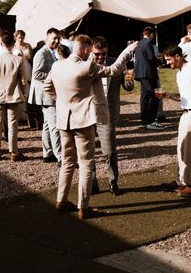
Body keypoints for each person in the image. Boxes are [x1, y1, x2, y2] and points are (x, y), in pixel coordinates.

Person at [44, 35, 137, 220]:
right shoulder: (87, 66)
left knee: (68, 162)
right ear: (86, 49)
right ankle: (83, 207)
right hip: (82, 120)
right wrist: (128, 51)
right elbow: (114, 69)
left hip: (63, 120)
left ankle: (61, 201)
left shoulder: (57, 65)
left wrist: (62, 101)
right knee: (86, 163)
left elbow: (47, 87)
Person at [162, 45, 191, 198]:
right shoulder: (179, 74)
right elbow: (184, 97)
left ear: (178, 56)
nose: (168, 63)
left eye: (169, 60)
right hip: (187, 112)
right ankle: (183, 181)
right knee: (182, 149)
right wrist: (168, 95)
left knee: (189, 151)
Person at [90, 36, 134, 196]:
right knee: (89, 151)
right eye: (97, 54)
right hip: (88, 114)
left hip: (108, 114)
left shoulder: (117, 62)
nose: (100, 57)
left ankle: (113, 182)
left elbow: (128, 87)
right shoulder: (85, 65)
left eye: (103, 53)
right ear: (91, 50)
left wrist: (129, 77)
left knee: (109, 151)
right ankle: (91, 181)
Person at [0, 32, 29, 162]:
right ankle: (13, 152)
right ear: (12, 44)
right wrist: (23, 92)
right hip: (13, 94)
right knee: (12, 124)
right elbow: (23, 80)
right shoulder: (18, 60)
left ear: (1, 43)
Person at [30, 28, 62, 163]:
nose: (56, 41)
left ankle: (47, 154)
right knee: (55, 125)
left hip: (48, 94)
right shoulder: (41, 53)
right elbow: (36, 74)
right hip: (45, 95)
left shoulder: (52, 52)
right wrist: (54, 76)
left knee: (48, 125)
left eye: (58, 38)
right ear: (47, 37)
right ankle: (61, 157)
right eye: (54, 38)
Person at [134, 27, 165, 130]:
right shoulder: (148, 43)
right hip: (148, 74)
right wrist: (161, 62)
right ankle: (151, 121)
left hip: (141, 73)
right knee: (153, 96)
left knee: (145, 97)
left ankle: (144, 120)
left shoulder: (139, 43)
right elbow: (151, 58)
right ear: (151, 34)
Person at [14, 30, 33, 122]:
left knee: (27, 87)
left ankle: (27, 114)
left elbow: (31, 58)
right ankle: (19, 114)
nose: (21, 39)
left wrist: (27, 57)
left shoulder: (28, 45)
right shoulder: (13, 46)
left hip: (27, 67)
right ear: (15, 37)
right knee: (19, 87)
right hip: (18, 68)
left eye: (22, 37)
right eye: (19, 38)